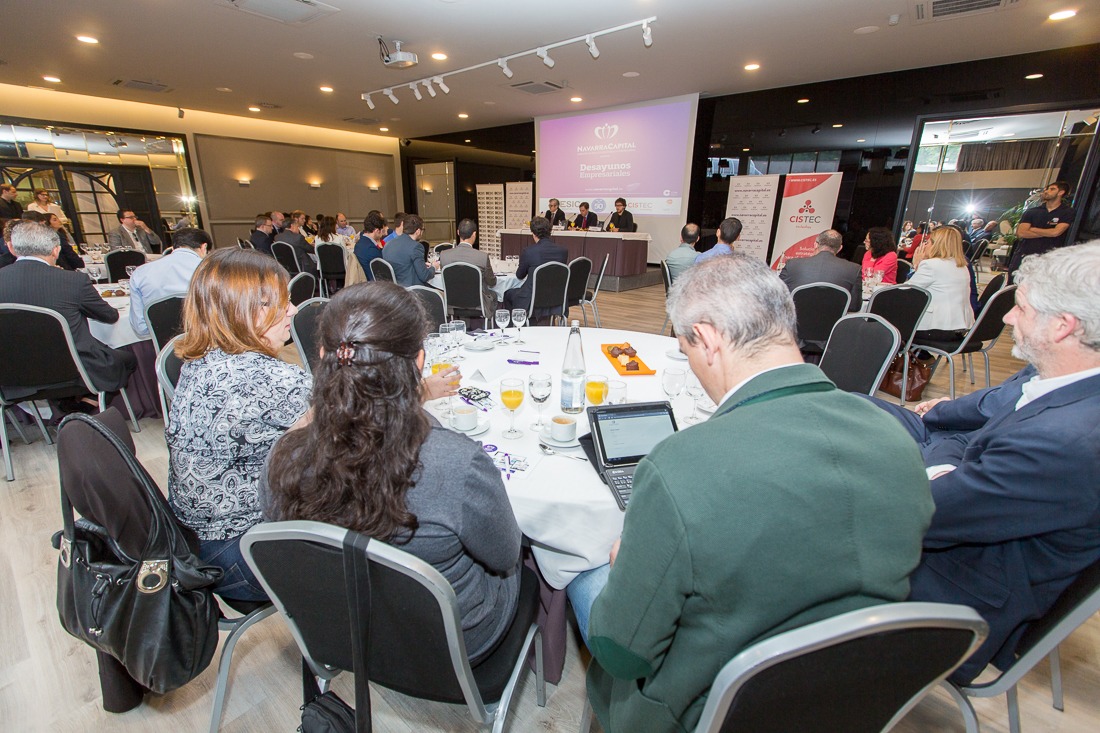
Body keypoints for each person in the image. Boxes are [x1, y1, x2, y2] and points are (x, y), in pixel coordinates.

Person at [574, 254, 933, 733]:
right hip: (852, 695)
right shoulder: (895, 435)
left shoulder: (680, 464)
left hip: (709, 711)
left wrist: (626, 567)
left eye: (686, 352)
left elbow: (622, 653)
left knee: (581, 574)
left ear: (706, 339)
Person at [866, 240, 1100, 684]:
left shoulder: (1067, 441)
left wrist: (946, 452)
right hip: (966, 532)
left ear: (1064, 326)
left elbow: (925, 514)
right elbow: (970, 439)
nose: (1007, 318)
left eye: (1022, 309)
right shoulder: (1065, 381)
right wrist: (951, 450)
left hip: (951, 602)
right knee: (851, 410)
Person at [262, 283, 522, 661]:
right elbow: (503, 555)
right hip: (448, 643)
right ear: (419, 362)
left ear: (322, 356)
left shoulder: (283, 458)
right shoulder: (456, 463)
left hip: (341, 631)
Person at [166, 248, 311, 602]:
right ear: (240, 310)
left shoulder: (202, 360)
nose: (292, 311)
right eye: (277, 303)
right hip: (240, 555)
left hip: (195, 541)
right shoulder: (266, 378)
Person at [0, 220, 136, 392]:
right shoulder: (72, 281)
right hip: (75, 371)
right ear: (56, 250)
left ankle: (70, 407)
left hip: (11, 375)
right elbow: (110, 316)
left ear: (12, 248)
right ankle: (86, 404)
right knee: (128, 360)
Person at [127, 227, 210, 338]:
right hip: (209, 344)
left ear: (173, 247)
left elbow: (141, 329)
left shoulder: (141, 273)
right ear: (204, 247)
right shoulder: (212, 271)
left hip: (166, 351)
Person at [908, 225, 975, 343]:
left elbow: (906, 292)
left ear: (936, 245)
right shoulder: (961, 265)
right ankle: (915, 358)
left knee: (889, 324)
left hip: (937, 328)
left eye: (928, 242)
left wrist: (915, 266)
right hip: (958, 328)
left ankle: (906, 359)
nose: (925, 245)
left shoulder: (931, 265)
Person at [779, 228, 862, 311]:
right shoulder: (854, 269)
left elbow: (777, 295)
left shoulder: (792, 264)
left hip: (794, 321)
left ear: (815, 244)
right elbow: (854, 306)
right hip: (833, 322)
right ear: (840, 248)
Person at [501, 216, 567, 316]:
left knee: (508, 293)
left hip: (532, 298)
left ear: (533, 233)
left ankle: (514, 325)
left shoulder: (529, 251)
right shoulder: (563, 251)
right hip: (555, 297)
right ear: (549, 231)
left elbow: (520, 275)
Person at [1010, 180, 1076, 274]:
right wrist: (1048, 232)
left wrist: (1033, 229)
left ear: (1061, 192)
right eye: (1046, 189)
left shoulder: (1067, 212)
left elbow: (1056, 232)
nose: (1046, 191)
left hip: (1049, 258)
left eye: (1052, 189)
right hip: (1025, 255)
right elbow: (1021, 233)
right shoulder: (1032, 212)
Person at [440, 218, 497, 317]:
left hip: (452, 304)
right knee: (494, 295)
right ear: (474, 234)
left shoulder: (444, 256)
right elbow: (491, 282)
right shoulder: (482, 257)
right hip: (478, 304)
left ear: (458, 232)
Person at [382, 213, 434, 286]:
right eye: (423, 230)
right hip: (412, 290)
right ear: (418, 231)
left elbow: (402, 264)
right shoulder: (416, 246)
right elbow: (424, 276)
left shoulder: (388, 244)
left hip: (394, 289)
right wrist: (433, 267)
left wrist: (421, 265)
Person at [274, 212, 318, 277]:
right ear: (292, 226)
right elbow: (311, 250)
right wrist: (314, 246)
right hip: (302, 266)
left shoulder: (277, 237)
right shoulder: (298, 237)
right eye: (297, 227)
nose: (298, 229)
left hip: (286, 267)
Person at [354, 210, 387, 279]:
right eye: (382, 231)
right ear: (377, 231)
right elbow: (383, 269)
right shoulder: (371, 249)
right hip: (375, 283)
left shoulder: (359, 244)